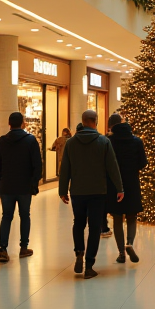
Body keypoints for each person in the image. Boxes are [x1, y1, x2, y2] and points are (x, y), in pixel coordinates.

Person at [59, 109, 123, 278]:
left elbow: (65, 168)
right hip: (97, 191)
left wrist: (62, 190)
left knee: (78, 223)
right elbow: (112, 166)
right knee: (95, 227)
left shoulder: (71, 143)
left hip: (78, 191)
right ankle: (89, 265)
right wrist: (119, 188)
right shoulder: (103, 141)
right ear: (96, 121)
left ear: (83, 120)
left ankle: (79, 252)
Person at [0, 111, 42, 262]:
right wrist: (33, 182)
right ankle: (23, 248)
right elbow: (37, 165)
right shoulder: (30, 141)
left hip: (6, 186)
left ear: (9, 124)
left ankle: (3, 249)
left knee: (6, 216)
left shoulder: (1, 141)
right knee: (25, 215)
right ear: (23, 123)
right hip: (24, 186)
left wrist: (0, 182)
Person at [107, 113, 147, 264]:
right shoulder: (136, 140)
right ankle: (129, 242)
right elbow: (143, 163)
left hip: (115, 184)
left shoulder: (108, 141)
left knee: (117, 218)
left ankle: (121, 253)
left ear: (112, 126)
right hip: (132, 182)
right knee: (131, 216)